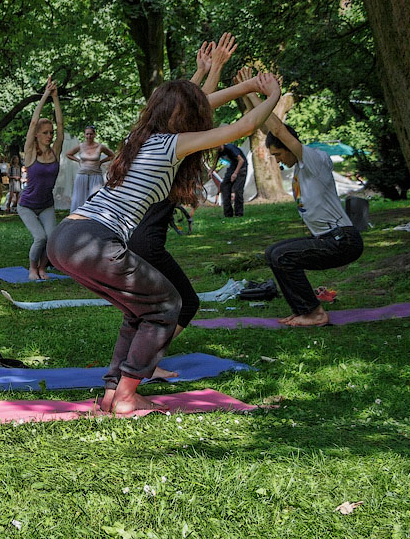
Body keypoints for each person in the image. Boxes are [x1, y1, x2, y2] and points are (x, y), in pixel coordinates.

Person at [47, 70, 282, 414]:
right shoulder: (172, 143)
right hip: (93, 238)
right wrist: (272, 95)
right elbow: (242, 128)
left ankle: (114, 392)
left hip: (66, 237)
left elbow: (200, 104)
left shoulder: (137, 139)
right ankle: (127, 396)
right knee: (167, 305)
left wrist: (247, 86)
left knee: (137, 309)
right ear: (184, 119)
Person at [125, 33, 239, 380]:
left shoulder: (142, 136)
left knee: (145, 308)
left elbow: (182, 105)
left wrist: (202, 72)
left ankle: (140, 363)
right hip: (145, 240)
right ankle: (143, 365)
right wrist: (217, 68)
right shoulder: (168, 145)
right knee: (185, 302)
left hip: (128, 236)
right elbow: (199, 111)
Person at [236, 68, 364, 327]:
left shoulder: (314, 160)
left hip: (343, 240)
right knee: (274, 253)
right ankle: (305, 311)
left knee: (283, 256)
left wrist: (257, 94)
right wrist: (248, 94)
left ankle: (314, 314)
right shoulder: (300, 169)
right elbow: (265, 126)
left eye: (279, 155)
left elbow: (277, 128)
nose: (278, 161)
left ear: (290, 145)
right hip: (327, 238)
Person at [19, 77, 65, 280]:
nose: (50, 136)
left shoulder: (55, 151)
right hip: (27, 204)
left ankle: (43, 269)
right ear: (37, 134)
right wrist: (46, 94)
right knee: (40, 237)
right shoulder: (30, 153)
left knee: (51, 239)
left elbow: (61, 124)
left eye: (51, 133)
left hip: (46, 204)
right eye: (45, 133)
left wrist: (56, 98)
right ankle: (32, 268)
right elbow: (33, 122)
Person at [66, 125, 115, 207]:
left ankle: (95, 217)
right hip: (82, 174)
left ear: (94, 135)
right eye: (87, 134)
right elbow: (68, 154)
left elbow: (112, 155)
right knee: (79, 197)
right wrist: (78, 161)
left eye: (91, 134)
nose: (89, 136)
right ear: (84, 135)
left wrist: (101, 162)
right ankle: (77, 216)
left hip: (96, 174)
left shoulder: (100, 146)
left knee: (96, 197)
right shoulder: (81, 146)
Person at [219, 141, 247, 217]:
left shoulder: (230, 148)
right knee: (224, 186)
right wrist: (211, 170)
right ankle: (228, 214)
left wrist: (235, 173)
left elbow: (241, 160)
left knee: (238, 190)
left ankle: (239, 214)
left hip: (241, 167)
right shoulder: (219, 151)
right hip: (232, 167)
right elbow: (216, 159)